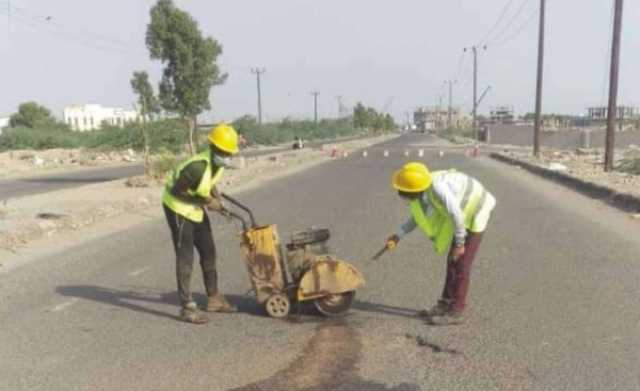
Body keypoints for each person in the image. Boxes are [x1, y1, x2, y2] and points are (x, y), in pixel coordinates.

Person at [385, 162, 496, 325]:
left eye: (405, 193)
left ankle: (456, 310)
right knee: (452, 260)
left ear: (414, 190)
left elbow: (457, 214)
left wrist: (459, 244)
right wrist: (397, 236)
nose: (402, 196)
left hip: (476, 210)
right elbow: (416, 218)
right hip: (461, 214)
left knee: (462, 263)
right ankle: (445, 304)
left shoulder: (438, 188)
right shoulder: (422, 191)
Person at [162, 123, 240, 324]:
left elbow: (209, 181)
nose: (226, 155)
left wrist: (214, 193)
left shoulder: (217, 164)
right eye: (223, 151)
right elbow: (176, 192)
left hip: (195, 209)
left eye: (229, 152)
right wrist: (207, 202)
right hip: (178, 208)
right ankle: (186, 307)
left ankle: (213, 298)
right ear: (213, 147)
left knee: (208, 251)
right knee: (185, 257)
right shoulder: (197, 167)